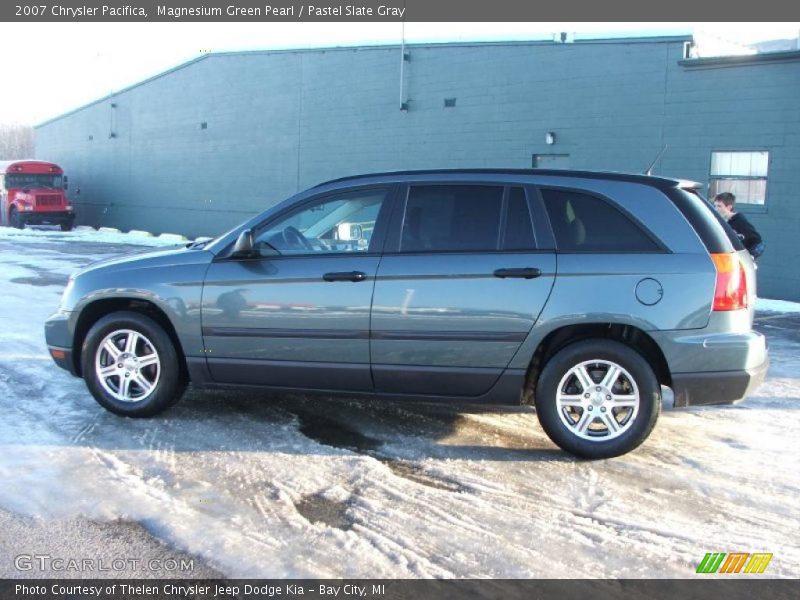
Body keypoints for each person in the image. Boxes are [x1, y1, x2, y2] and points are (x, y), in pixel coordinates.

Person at [713, 192, 765, 259]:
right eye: (715, 206)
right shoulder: (721, 221)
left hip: (749, 252)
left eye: (719, 206)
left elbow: (758, 243)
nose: (716, 209)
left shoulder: (739, 220)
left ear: (729, 207)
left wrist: (751, 256)